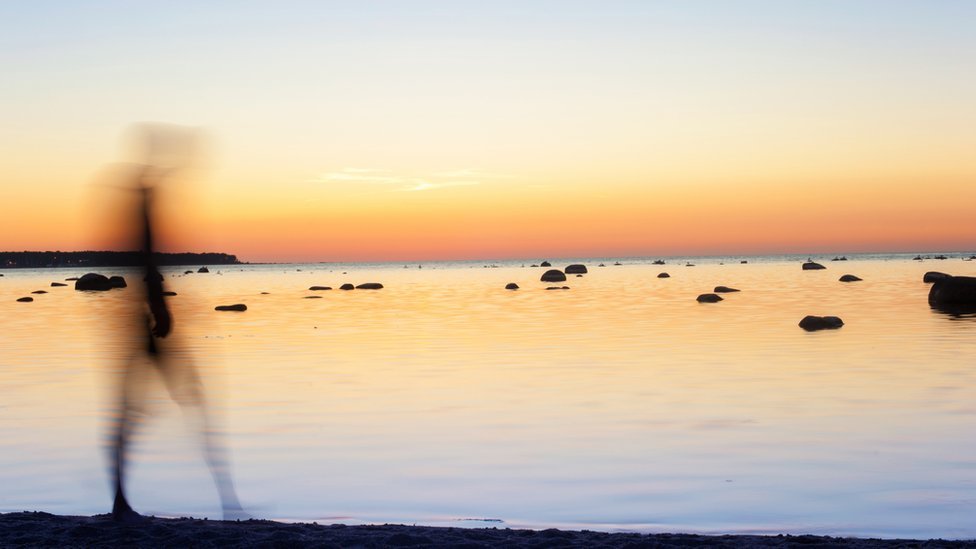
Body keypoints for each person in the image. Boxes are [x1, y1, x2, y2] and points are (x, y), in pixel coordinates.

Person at [106, 124, 246, 522]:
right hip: (147, 319)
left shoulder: (141, 190)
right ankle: (228, 501)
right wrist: (158, 306)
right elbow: (145, 253)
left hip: (139, 316)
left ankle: (121, 500)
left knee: (139, 409)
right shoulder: (145, 195)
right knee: (188, 401)